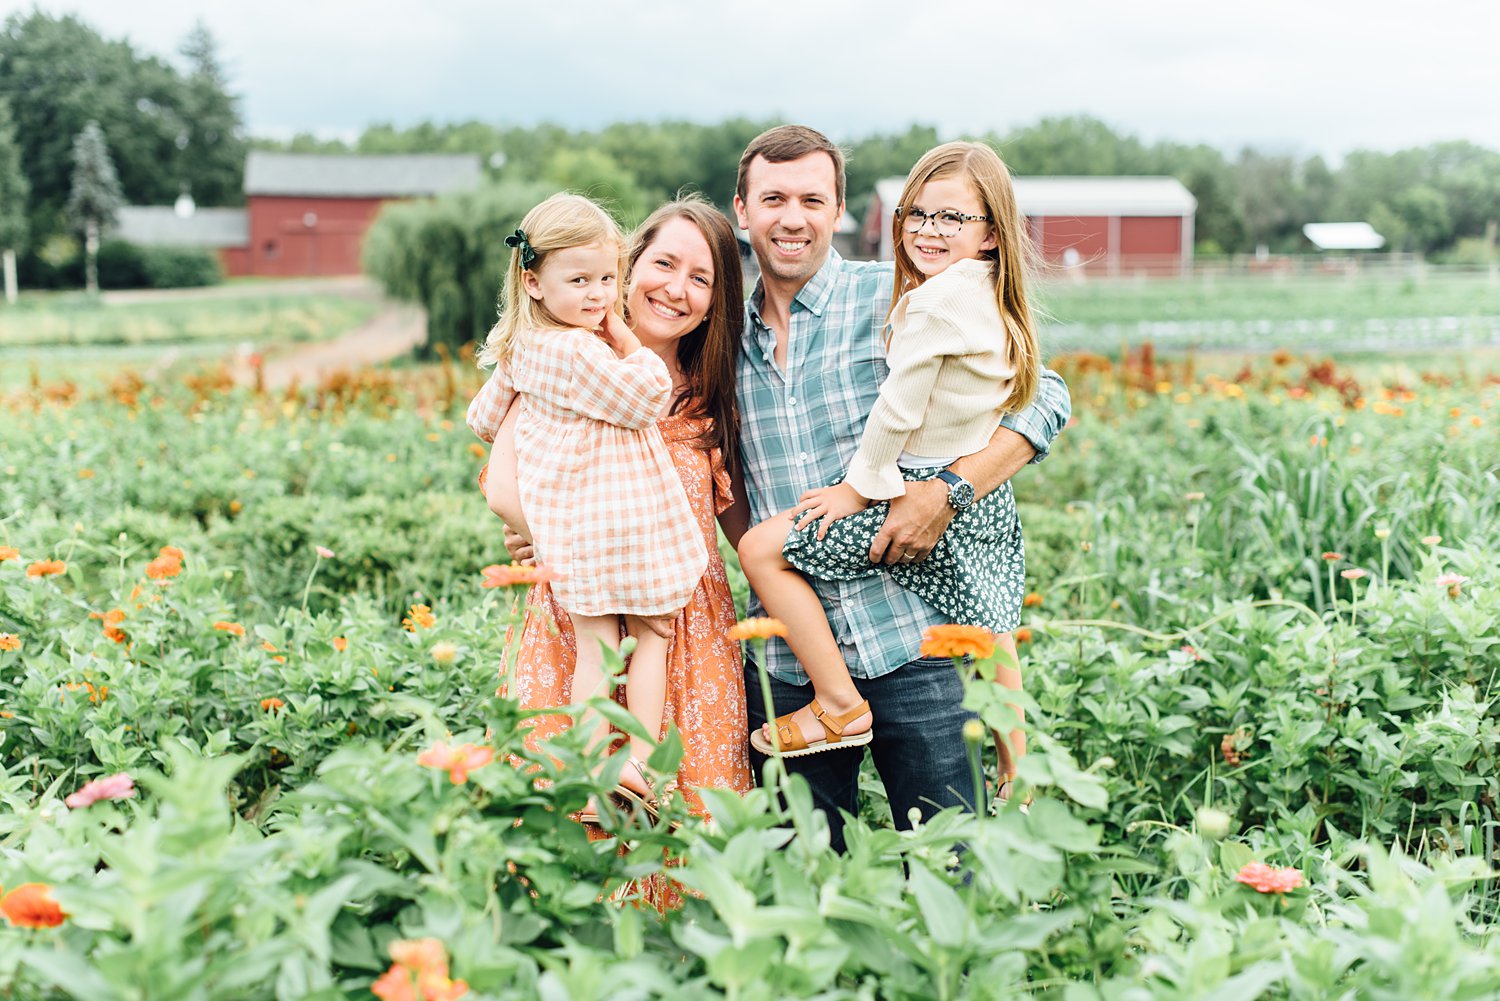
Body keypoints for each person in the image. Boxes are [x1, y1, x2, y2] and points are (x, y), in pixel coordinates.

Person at [726, 126, 1070, 850]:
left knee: (952, 871)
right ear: (742, 209)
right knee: (806, 881)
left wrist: (948, 490)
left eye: (813, 198)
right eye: (774, 198)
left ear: (840, 209)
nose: (793, 216)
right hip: (792, 661)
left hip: (914, 638)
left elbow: (1045, 395)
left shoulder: (897, 297)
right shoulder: (717, 341)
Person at [472, 196, 752, 844]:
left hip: (689, 616)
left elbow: (733, 515)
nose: (676, 288)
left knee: (689, 809)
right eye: (663, 263)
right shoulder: (569, 356)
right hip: (581, 603)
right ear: (631, 266)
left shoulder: (715, 383)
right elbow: (503, 481)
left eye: (701, 277)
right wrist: (553, 537)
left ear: (717, 298)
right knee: (574, 817)